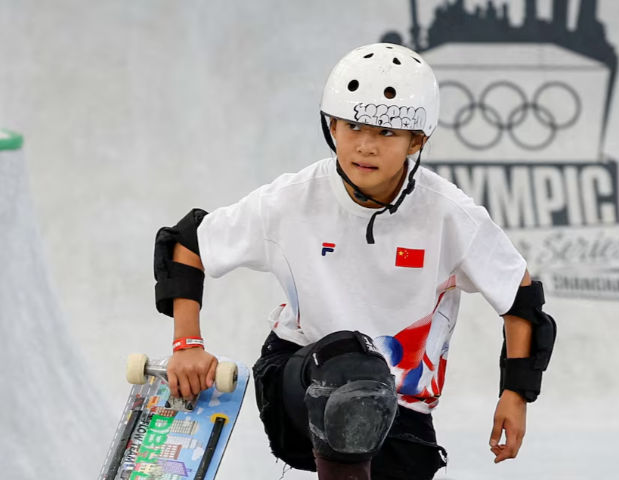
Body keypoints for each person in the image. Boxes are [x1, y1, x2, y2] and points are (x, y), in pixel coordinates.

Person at [153, 43, 556, 480]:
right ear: (332, 127)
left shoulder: (447, 213)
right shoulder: (292, 200)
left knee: (376, 404)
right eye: (353, 126)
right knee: (354, 368)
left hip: (398, 406)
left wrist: (515, 395)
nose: (365, 146)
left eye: (386, 133)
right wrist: (186, 344)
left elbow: (521, 299)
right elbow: (187, 241)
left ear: (415, 140)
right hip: (297, 382)